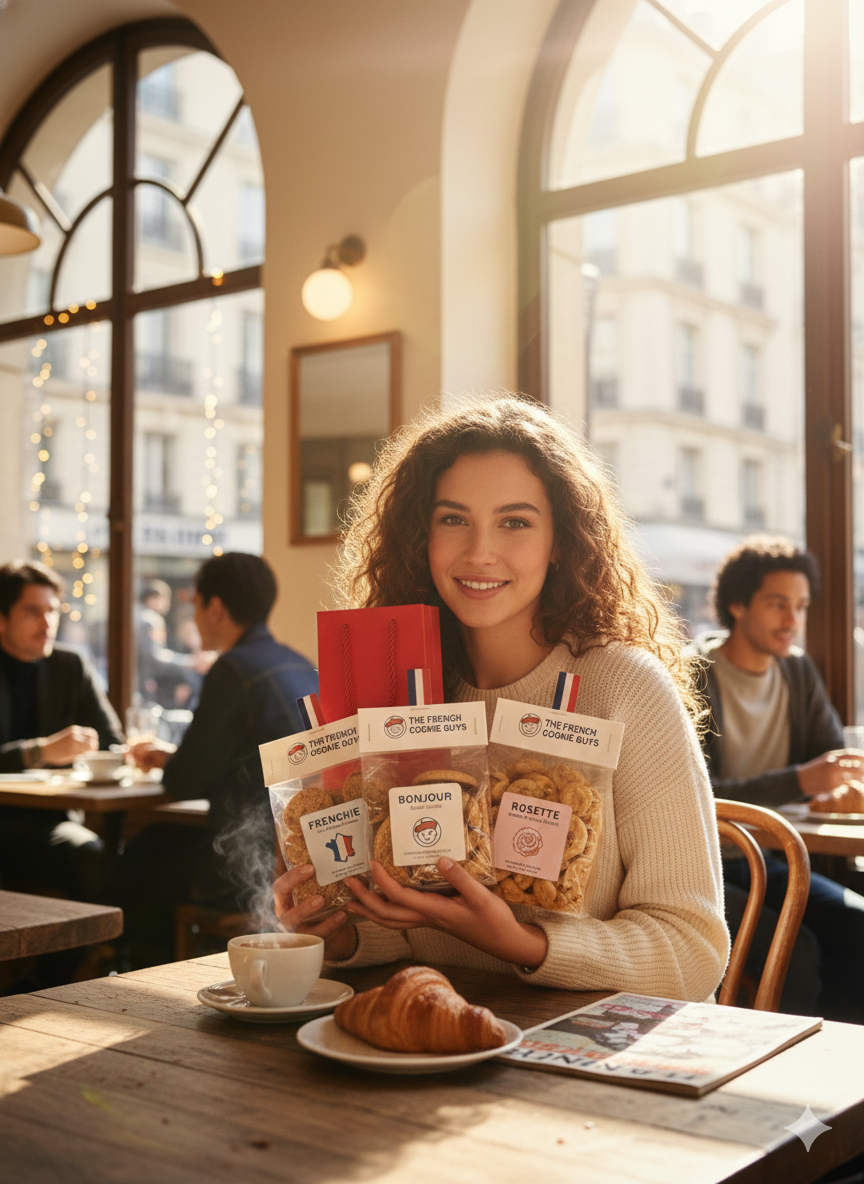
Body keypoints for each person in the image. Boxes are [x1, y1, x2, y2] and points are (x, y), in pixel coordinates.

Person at [274, 396, 729, 1001]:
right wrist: (340, 934)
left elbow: (693, 952)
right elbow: (411, 926)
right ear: (421, 534)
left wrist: (522, 942)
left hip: (579, 1062)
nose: (479, 552)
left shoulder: (623, 688)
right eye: (452, 519)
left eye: (515, 522)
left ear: (561, 540)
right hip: (433, 1041)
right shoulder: (403, 697)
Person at [694, 536, 864, 1022]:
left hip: (770, 860)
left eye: (801, 607)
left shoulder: (797, 674)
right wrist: (800, 780)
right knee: (797, 955)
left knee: (857, 927)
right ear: (737, 604)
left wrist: (832, 780)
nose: (793, 621)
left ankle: (841, 1081)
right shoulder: (694, 674)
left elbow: (832, 761)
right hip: (706, 866)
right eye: (777, 604)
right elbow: (694, 793)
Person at [120, 552, 319, 966]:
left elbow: (184, 781)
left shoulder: (233, 669)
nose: (193, 617)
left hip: (250, 863)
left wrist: (172, 763)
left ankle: (130, 972)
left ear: (215, 607)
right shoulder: (298, 664)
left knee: (138, 855)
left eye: (194, 605)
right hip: (304, 853)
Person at [0, 560, 123, 900]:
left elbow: (113, 743)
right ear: (1, 618)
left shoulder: (69, 666)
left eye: (53, 611)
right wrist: (40, 752)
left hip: (48, 821)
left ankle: (86, 953)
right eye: (32, 612)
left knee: (95, 855)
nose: (47, 623)